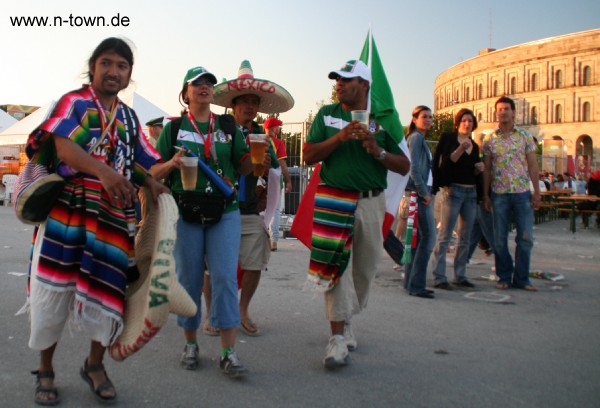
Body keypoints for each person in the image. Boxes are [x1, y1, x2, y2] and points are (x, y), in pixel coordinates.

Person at [22, 37, 168, 405]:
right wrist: (104, 173)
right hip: (68, 211)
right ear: (93, 67)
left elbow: (138, 163)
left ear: (129, 74)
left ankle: (94, 364)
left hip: (113, 218)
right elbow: (63, 147)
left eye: (121, 66)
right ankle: (45, 368)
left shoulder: (130, 119)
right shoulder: (75, 102)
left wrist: (151, 179)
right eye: (106, 63)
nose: (113, 71)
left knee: (109, 295)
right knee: (52, 291)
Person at [303, 59, 409, 369]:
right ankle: (336, 338)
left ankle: (346, 319)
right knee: (336, 269)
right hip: (334, 198)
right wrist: (340, 137)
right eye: (336, 79)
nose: (338, 84)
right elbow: (308, 155)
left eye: (345, 79)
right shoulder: (327, 115)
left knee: (364, 270)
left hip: (371, 202)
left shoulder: (381, 122)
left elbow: (404, 165)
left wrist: (377, 150)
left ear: (363, 84)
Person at [153, 65, 255, 378]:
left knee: (225, 277)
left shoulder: (227, 125)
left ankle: (228, 351)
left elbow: (247, 169)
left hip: (224, 210)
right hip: (186, 211)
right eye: (197, 83)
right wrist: (171, 162)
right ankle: (191, 343)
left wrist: (258, 157)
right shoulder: (172, 128)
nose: (205, 86)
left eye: (209, 82)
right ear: (185, 93)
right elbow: (152, 172)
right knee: (189, 280)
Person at [211, 60, 294, 337]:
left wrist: (268, 167)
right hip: (219, 207)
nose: (249, 106)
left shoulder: (262, 136)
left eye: (253, 102)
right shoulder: (218, 130)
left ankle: (242, 309)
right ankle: (214, 312)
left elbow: (270, 176)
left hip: (248, 209)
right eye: (244, 101)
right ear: (232, 105)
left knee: (256, 262)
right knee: (212, 265)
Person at [483, 96, 541, 291]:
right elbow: (487, 169)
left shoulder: (524, 136)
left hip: (522, 193)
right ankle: (504, 276)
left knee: (525, 238)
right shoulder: (490, 140)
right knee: (499, 240)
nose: (502, 112)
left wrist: (536, 191)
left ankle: (522, 278)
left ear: (514, 112)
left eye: (506, 108)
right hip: (499, 194)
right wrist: (486, 194)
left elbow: (533, 165)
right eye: (499, 109)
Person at [430, 109, 483, 289]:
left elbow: (471, 171)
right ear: (458, 122)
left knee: (465, 237)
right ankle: (439, 276)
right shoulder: (449, 139)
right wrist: (461, 148)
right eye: (464, 120)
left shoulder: (475, 146)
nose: (467, 124)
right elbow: (447, 162)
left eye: (470, 121)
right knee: (445, 235)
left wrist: (478, 168)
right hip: (453, 191)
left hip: (471, 192)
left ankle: (460, 275)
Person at [403, 105, 437, 299]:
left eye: (430, 117)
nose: (428, 120)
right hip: (419, 193)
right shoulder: (416, 138)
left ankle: (411, 282)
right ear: (414, 119)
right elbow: (414, 168)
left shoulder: (418, 138)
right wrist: (424, 192)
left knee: (416, 240)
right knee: (429, 238)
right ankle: (416, 284)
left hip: (419, 192)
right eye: (424, 116)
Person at [263, 117, 293, 251]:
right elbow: (282, 164)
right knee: (274, 209)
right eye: (278, 126)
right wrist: (288, 180)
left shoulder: (259, 140)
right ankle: (273, 241)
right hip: (274, 179)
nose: (279, 129)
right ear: (274, 128)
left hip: (260, 179)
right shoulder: (278, 142)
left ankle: (262, 239)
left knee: (261, 210)